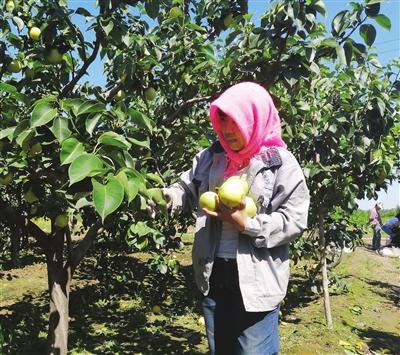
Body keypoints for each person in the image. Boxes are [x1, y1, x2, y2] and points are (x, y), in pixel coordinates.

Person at [162, 82, 310, 355]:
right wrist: (165, 198)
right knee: (222, 349)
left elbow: (294, 219)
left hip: (257, 278)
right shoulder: (210, 157)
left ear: (254, 119)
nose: (227, 130)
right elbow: (185, 189)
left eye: (235, 122)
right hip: (213, 271)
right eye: (223, 121)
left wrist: (249, 225)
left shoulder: (280, 163)